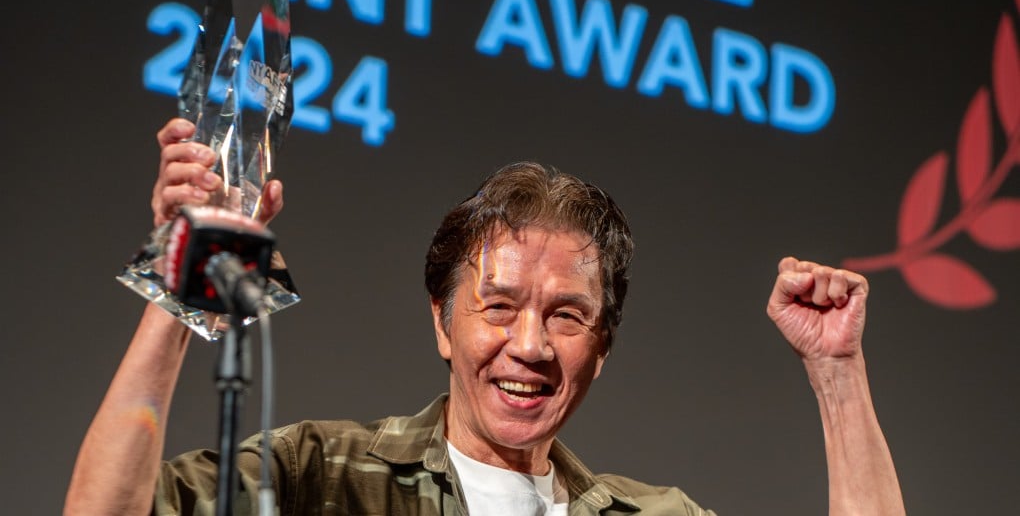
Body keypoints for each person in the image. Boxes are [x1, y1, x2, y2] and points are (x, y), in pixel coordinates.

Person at [64, 119, 906, 515]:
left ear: (603, 349)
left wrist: (837, 377)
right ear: (443, 322)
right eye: (497, 306)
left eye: (568, 315)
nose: (529, 346)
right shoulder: (322, 478)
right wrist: (181, 283)